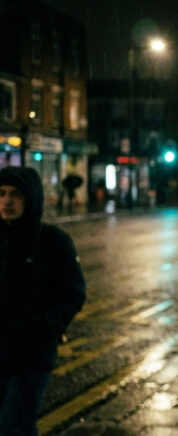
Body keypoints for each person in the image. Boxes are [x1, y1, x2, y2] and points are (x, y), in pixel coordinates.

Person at [0, 167, 86, 435]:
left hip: (32, 355)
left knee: (14, 425)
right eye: (1, 194)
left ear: (31, 198)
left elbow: (73, 293)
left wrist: (47, 326)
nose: (7, 201)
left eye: (16, 194)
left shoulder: (52, 241)